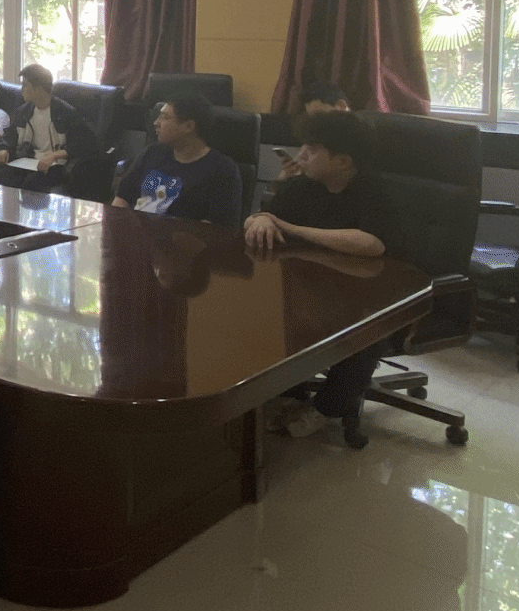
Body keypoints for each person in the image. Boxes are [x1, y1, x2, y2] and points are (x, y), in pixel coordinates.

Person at [244, 111, 398, 437]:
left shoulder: (374, 191)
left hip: (373, 293)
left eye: (312, 150)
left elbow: (371, 244)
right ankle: (288, 393)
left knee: (363, 330)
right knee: (269, 313)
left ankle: (328, 407)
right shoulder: (303, 186)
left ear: (342, 161)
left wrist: (287, 226)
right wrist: (260, 220)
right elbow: (263, 216)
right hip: (313, 285)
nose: (301, 155)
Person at [113, 95, 243, 227]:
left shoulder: (223, 169)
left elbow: (217, 228)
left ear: (188, 126)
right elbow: (121, 199)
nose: (156, 123)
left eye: (164, 117)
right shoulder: (151, 153)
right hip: (137, 234)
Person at [0, 64, 99, 192]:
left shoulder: (65, 113)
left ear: (38, 89)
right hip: (28, 161)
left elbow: (87, 143)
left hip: (55, 166)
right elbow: (10, 134)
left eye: (25, 85)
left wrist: (55, 155)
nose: (21, 90)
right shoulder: (23, 112)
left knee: (33, 182)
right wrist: (4, 148)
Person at [277, 82, 351, 182]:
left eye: (319, 115)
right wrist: (286, 175)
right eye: (312, 117)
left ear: (341, 106)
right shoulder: (316, 136)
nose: (315, 123)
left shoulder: (357, 137)